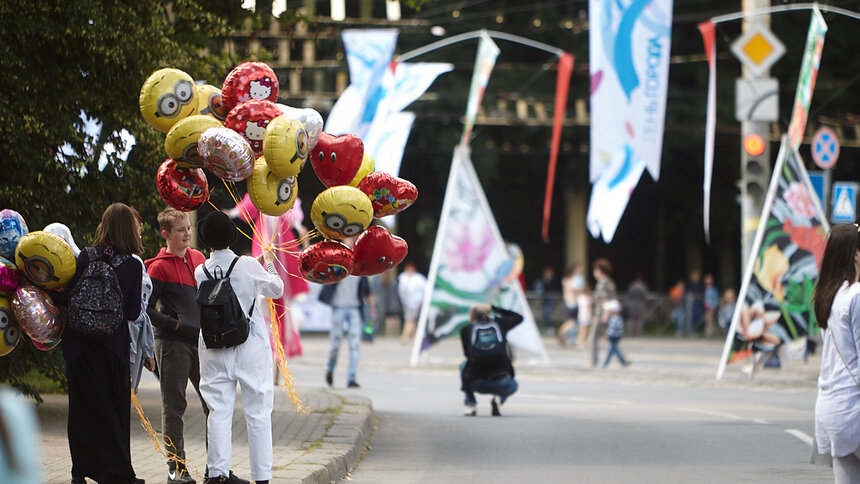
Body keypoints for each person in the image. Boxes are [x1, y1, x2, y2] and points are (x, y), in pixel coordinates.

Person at [54, 203, 144, 484]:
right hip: (112, 349)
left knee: (81, 412)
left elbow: (65, 298)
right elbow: (131, 313)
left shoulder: (84, 257)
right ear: (130, 229)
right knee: (113, 412)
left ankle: (79, 472)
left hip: (79, 348)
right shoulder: (132, 265)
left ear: (103, 225)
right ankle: (117, 474)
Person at [194, 211, 284, 484]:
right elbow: (277, 289)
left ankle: (217, 473)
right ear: (232, 236)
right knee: (257, 412)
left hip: (213, 348)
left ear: (206, 239)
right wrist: (267, 264)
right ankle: (262, 476)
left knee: (218, 412)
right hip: (249, 347)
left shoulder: (200, 271)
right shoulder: (247, 265)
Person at [146, 208, 209, 484]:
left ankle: (216, 466)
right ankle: (176, 468)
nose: (187, 233)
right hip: (171, 345)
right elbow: (145, 308)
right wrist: (173, 325)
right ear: (166, 234)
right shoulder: (157, 267)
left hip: (201, 344)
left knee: (214, 404)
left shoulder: (198, 258)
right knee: (174, 407)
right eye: (180, 229)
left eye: (188, 228)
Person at [226, 194, 310, 378]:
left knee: (280, 312)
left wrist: (297, 226)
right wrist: (232, 213)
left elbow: (291, 212)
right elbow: (249, 206)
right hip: (265, 245)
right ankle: (267, 364)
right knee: (264, 308)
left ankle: (277, 365)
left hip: (281, 251)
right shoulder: (261, 189)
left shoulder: (284, 191)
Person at [813, 223, 860, 483]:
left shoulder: (831, 294)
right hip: (854, 408)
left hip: (831, 408)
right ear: (855, 254)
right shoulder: (856, 295)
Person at [320, 253, 376, 388]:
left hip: (354, 309)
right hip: (338, 308)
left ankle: (351, 377)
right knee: (335, 345)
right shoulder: (336, 263)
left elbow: (367, 291)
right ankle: (330, 370)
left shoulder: (360, 267)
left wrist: (372, 310)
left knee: (355, 344)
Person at [460, 304, 523, 417]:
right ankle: (499, 398)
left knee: (463, 365)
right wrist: (494, 308)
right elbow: (519, 317)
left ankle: (470, 404)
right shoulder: (500, 324)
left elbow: (467, 354)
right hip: (504, 384)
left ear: (472, 317)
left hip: (476, 383)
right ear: (487, 314)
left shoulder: (466, 329)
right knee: (513, 384)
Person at [128, 207, 155, 393]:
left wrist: (147, 350)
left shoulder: (137, 261)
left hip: (137, 336)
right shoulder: (127, 262)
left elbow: (143, 310)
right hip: (125, 338)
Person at [589, 258, 616, 367]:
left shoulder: (603, 283)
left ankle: (594, 361)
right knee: (611, 337)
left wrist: (605, 314)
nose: (594, 273)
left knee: (592, 338)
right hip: (606, 312)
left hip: (601, 313)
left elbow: (605, 299)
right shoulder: (607, 281)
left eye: (596, 270)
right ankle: (624, 360)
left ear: (601, 271)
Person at [397, 261, 426, 345]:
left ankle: (404, 337)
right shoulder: (403, 277)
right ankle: (415, 337)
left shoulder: (419, 278)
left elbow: (424, 289)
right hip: (406, 302)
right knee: (412, 320)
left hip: (416, 302)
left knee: (409, 320)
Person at [557, 263, 585, 347]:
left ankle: (567, 337)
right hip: (572, 302)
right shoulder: (571, 280)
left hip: (571, 302)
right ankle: (562, 333)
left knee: (573, 322)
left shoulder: (568, 280)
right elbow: (575, 290)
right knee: (572, 322)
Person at [602, 300, 629, 368]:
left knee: (613, 350)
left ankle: (622, 362)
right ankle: (622, 362)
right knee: (613, 350)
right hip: (616, 336)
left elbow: (611, 329)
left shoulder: (614, 319)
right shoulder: (618, 318)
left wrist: (607, 336)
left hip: (613, 336)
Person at [532, 266, 559, 334]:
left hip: (552, 299)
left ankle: (549, 327)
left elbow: (554, 288)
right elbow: (541, 290)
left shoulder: (554, 280)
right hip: (545, 299)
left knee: (549, 313)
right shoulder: (542, 280)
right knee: (546, 313)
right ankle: (547, 327)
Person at [703, 274, 719, 338]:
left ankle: (710, 332)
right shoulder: (705, 290)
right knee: (708, 319)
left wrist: (714, 306)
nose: (708, 285)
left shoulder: (714, 290)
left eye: (709, 283)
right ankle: (713, 332)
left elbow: (715, 298)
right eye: (707, 283)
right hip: (706, 306)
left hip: (712, 306)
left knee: (710, 319)